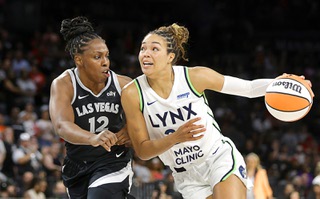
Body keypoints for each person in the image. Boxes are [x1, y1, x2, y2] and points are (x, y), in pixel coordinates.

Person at [121, 23, 314, 199]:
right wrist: (175, 138)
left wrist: (282, 83)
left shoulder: (194, 77)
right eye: (142, 49)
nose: (145, 53)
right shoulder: (132, 94)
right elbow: (143, 151)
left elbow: (247, 88)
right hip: (185, 174)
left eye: (154, 49)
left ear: (170, 57)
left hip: (216, 157)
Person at [49, 16, 134, 199]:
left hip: (113, 161)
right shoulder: (64, 84)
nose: (105, 62)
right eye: (97, 57)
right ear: (79, 60)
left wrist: (130, 130)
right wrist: (93, 137)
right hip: (77, 164)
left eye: (106, 55)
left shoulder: (124, 84)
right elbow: (61, 125)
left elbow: (146, 116)